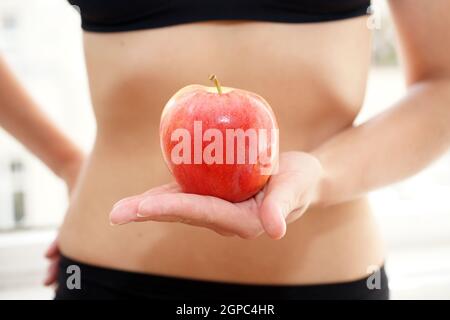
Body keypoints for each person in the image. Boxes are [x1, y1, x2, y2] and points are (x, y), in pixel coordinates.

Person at [1, 0, 449, 299]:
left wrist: (321, 175)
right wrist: (65, 162)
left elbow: (442, 84)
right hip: (108, 277)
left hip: (328, 279)